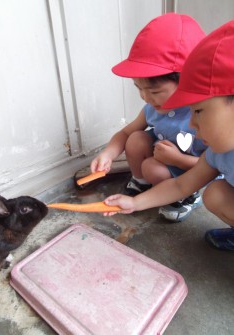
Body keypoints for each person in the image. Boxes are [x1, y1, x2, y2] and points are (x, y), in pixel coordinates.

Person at [104, 20, 234, 251]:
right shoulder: (217, 153)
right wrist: (134, 202)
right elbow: (180, 185)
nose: (192, 123)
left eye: (199, 111)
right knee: (215, 193)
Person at [91, 13, 207, 222]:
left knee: (152, 167)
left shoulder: (203, 114)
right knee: (135, 138)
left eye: (154, 91)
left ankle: (186, 196)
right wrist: (108, 154)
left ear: (187, 80)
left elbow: (213, 165)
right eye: (139, 89)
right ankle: (140, 183)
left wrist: (177, 160)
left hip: (191, 169)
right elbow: (125, 132)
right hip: (163, 158)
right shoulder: (153, 107)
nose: (145, 97)